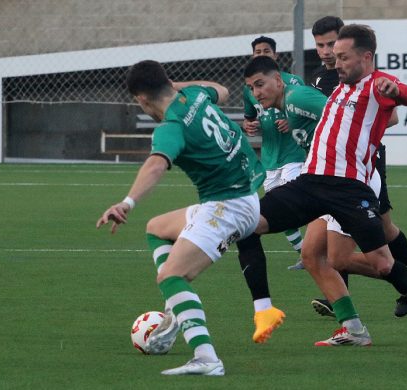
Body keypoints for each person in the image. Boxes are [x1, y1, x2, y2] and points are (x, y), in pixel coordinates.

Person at [239, 25, 407, 355]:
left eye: (342, 56)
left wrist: (396, 90)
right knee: (251, 225)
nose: (335, 60)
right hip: (312, 183)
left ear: (366, 57)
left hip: (348, 189)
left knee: (382, 263)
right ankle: (271, 311)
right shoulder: (336, 87)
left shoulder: (375, 86)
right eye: (331, 52)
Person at [96, 60, 266, 376]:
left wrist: (127, 203)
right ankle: (176, 310)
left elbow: (156, 165)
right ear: (169, 83)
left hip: (227, 207)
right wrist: (174, 85)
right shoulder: (198, 95)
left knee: (170, 277)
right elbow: (223, 90)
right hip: (245, 197)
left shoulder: (171, 127)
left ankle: (206, 358)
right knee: (157, 228)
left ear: (141, 99)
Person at [309, 16, 407, 319]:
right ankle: (339, 298)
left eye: (333, 44)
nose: (327, 51)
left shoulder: (365, 78)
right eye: (320, 45)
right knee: (320, 244)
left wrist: (359, 135)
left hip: (363, 163)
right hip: (330, 168)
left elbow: (393, 114)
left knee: (383, 228)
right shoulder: (320, 78)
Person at [238, 55, 328, 343]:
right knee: (340, 257)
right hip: (284, 165)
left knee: (355, 257)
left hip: (322, 174)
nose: (256, 92)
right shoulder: (260, 94)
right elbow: (250, 118)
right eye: (252, 87)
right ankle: (354, 327)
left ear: (277, 76)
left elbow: (336, 116)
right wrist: (249, 126)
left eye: (260, 85)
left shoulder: (296, 92)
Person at [243, 36, 306, 270]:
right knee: (280, 212)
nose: (261, 54)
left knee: (292, 205)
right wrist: (249, 126)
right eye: (257, 51)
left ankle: (317, 251)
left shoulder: (293, 82)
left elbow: (306, 111)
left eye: (266, 51)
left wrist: (292, 121)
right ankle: (304, 253)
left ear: (275, 55)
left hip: (294, 154)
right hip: (269, 157)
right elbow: (250, 117)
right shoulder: (249, 89)